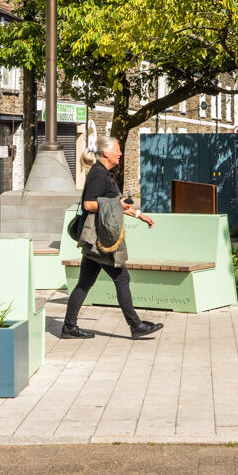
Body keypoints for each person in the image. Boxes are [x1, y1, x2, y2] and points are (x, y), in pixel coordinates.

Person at [60, 137, 163, 339]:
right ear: (106, 153)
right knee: (122, 278)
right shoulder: (98, 175)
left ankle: (69, 327)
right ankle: (135, 325)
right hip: (101, 239)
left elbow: (116, 203)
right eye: (117, 150)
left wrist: (140, 215)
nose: (120, 153)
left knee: (84, 283)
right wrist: (117, 205)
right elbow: (89, 204)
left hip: (98, 237)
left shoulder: (106, 174)